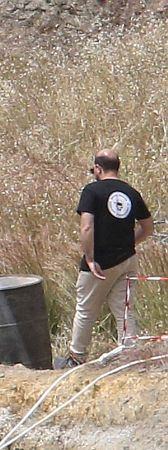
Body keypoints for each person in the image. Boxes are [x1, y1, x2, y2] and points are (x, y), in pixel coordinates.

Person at [55, 149, 154, 368]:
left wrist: (90, 258)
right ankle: (131, 357)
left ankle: (76, 358)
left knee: (85, 308)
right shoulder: (131, 192)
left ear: (98, 169)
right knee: (125, 309)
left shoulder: (92, 191)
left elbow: (87, 225)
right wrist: (130, 243)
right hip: (127, 259)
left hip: (100, 261)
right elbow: (148, 227)